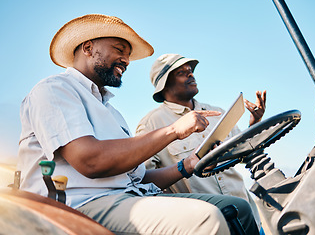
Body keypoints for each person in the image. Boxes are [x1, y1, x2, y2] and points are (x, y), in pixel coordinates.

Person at [17, 14, 260, 235]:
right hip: (77, 206)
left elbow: (138, 180)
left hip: (128, 196)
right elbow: (90, 161)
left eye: (128, 55)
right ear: (88, 47)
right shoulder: (54, 90)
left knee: (239, 208)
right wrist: (174, 130)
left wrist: (187, 165)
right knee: (206, 220)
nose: (126, 60)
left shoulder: (112, 113)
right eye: (119, 49)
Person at [136, 53, 267, 230]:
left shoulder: (217, 113)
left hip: (249, 215)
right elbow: (144, 181)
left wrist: (254, 124)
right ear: (164, 84)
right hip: (209, 224)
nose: (191, 74)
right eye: (182, 72)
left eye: (191, 71)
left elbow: (245, 153)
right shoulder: (151, 124)